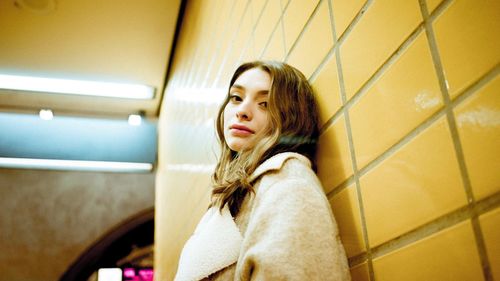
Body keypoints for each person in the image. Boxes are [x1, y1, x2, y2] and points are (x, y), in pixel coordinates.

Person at [174, 61, 350, 281]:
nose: (242, 111)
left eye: (265, 103)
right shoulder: (234, 196)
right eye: (236, 98)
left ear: (291, 120)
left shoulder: (288, 183)